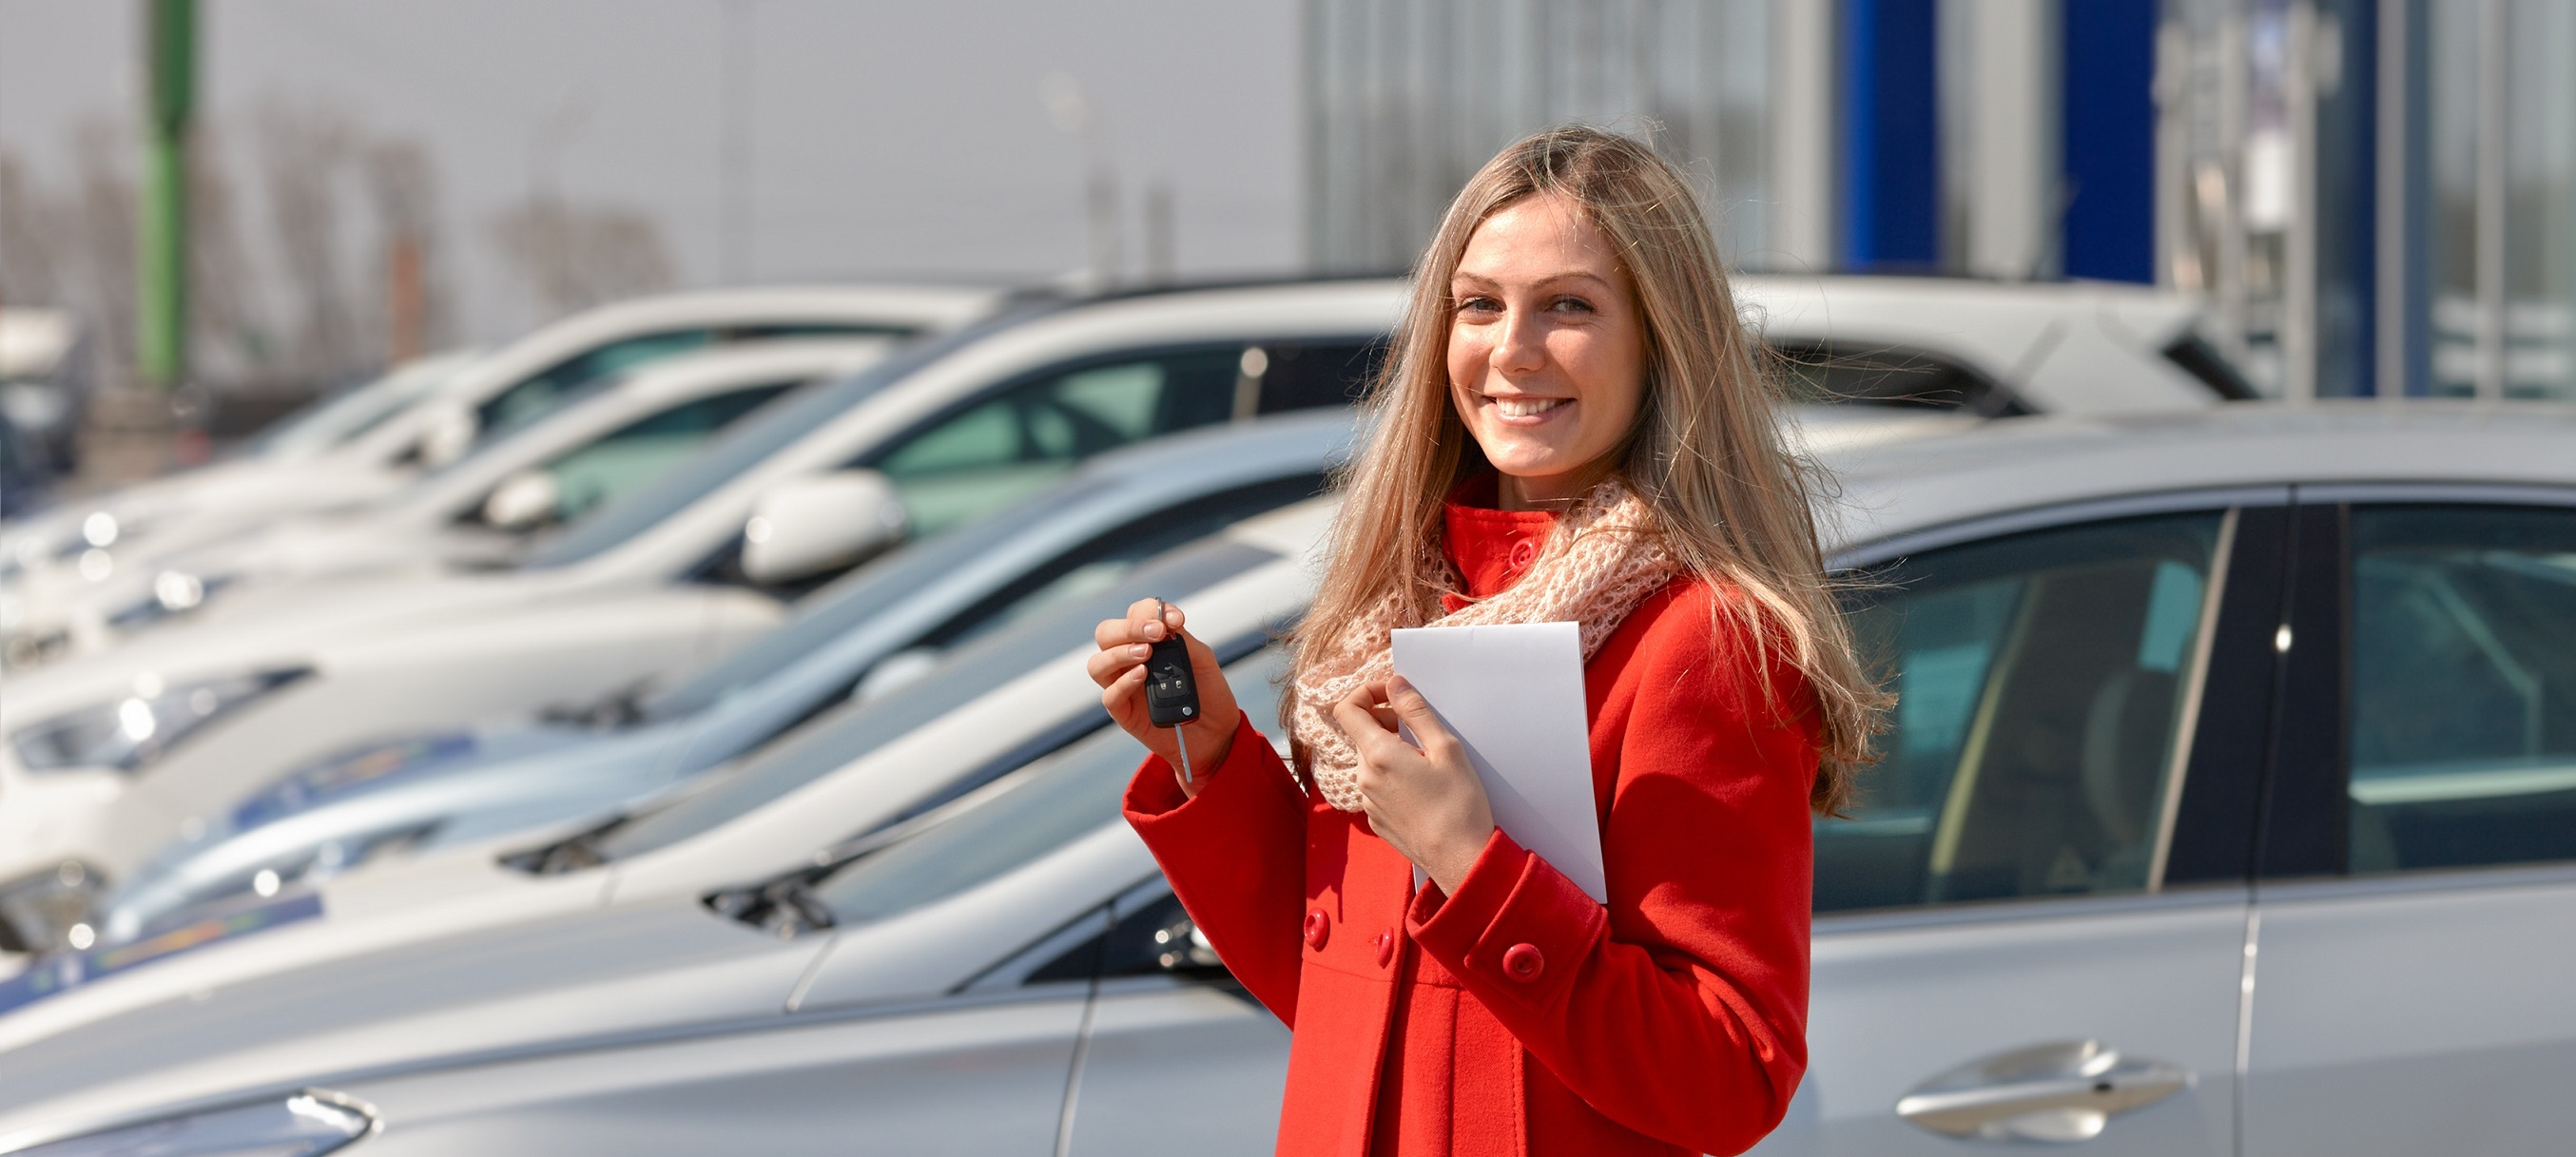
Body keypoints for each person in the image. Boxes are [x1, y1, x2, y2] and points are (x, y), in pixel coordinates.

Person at [1086, 126, 1886, 1157]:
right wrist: (1208, 752)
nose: (1511, 349)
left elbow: (1732, 1076)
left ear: (1661, 338)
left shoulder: (1704, 638)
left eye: (1570, 305)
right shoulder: (1396, 604)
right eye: (1479, 304)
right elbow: (1338, 992)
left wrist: (1473, 863)